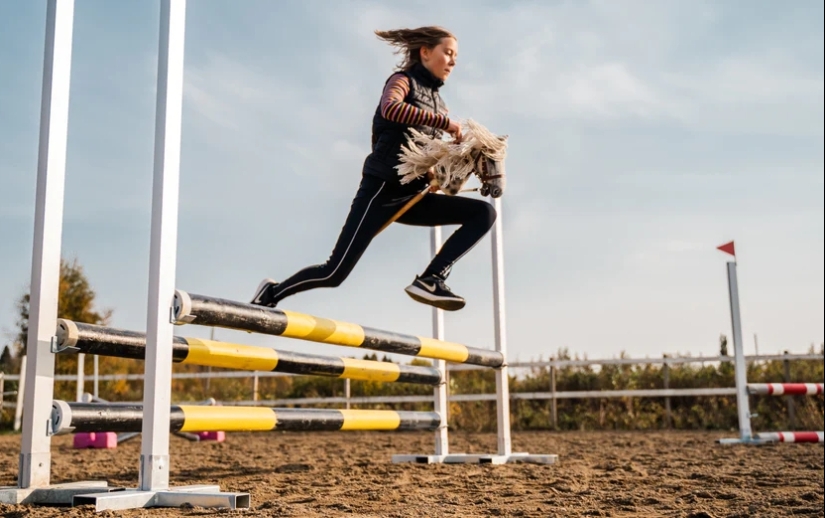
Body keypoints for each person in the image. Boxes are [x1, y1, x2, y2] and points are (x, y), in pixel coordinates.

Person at [250, 26, 496, 312]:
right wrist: (445, 124)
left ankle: (432, 279)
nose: (453, 61)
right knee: (334, 273)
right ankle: (271, 293)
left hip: (413, 196)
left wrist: (443, 173)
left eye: (456, 56)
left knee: (483, 212)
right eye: (448, 53)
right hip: (381, 189)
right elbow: (390, 108)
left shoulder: (440, 104)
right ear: (425, 52)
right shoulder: (401, 81)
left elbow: (425, 152)